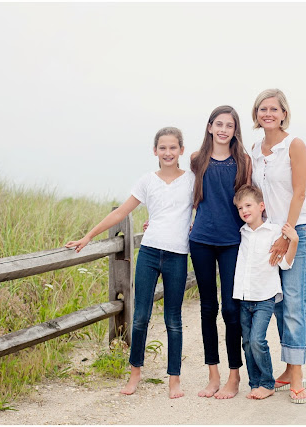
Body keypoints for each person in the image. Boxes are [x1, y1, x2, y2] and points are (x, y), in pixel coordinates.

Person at [65, 127, 194, 399]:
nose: (168, 152)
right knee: (140, 317)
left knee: (173, 319)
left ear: (181, 150)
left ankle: (174, 380)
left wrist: (194, 225)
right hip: (149, 252)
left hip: (177, 255)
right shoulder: (147, 181)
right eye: (163, 148)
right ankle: (135, 374)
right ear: (155, 151)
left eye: (173, 147)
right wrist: (88, 236)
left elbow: (202, 209)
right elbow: (122, 212)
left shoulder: (192, 180)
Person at [250, 89, 306, 404]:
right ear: (257, 114)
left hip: (295, 230)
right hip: (268, 233)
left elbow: (299, 193)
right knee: (275, 301)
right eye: (263, 109)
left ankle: (297, 374)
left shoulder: (295, 145)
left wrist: (286, 233)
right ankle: (288, 368)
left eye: (274, 109)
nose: (268, 113)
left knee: (292, 301)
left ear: (284, 113)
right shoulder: (255, 149)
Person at [189, 105, 252, 399]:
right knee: (207, 308)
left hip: (232, 241)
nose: (224, 130)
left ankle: (234, 376)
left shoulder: (243, 161)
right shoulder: (196, 160)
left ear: (234, 130)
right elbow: (185, 195)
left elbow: (249, 201)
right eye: (219, 124)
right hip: (201, 239)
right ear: (210, 127)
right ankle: (213, 375)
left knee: (230, 308)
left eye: (230, 125)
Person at [231, 185, 299, 400]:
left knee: (257, 340)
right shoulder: (241, 232)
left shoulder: (274, 232)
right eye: (240, 207)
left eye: (248, 205)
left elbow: (286, 264)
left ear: (261, 206)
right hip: (243, 296)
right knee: (247, 342)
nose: (244, 210)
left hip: (265, 297)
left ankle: (268, 383)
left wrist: (293, 240)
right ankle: (255, 383)